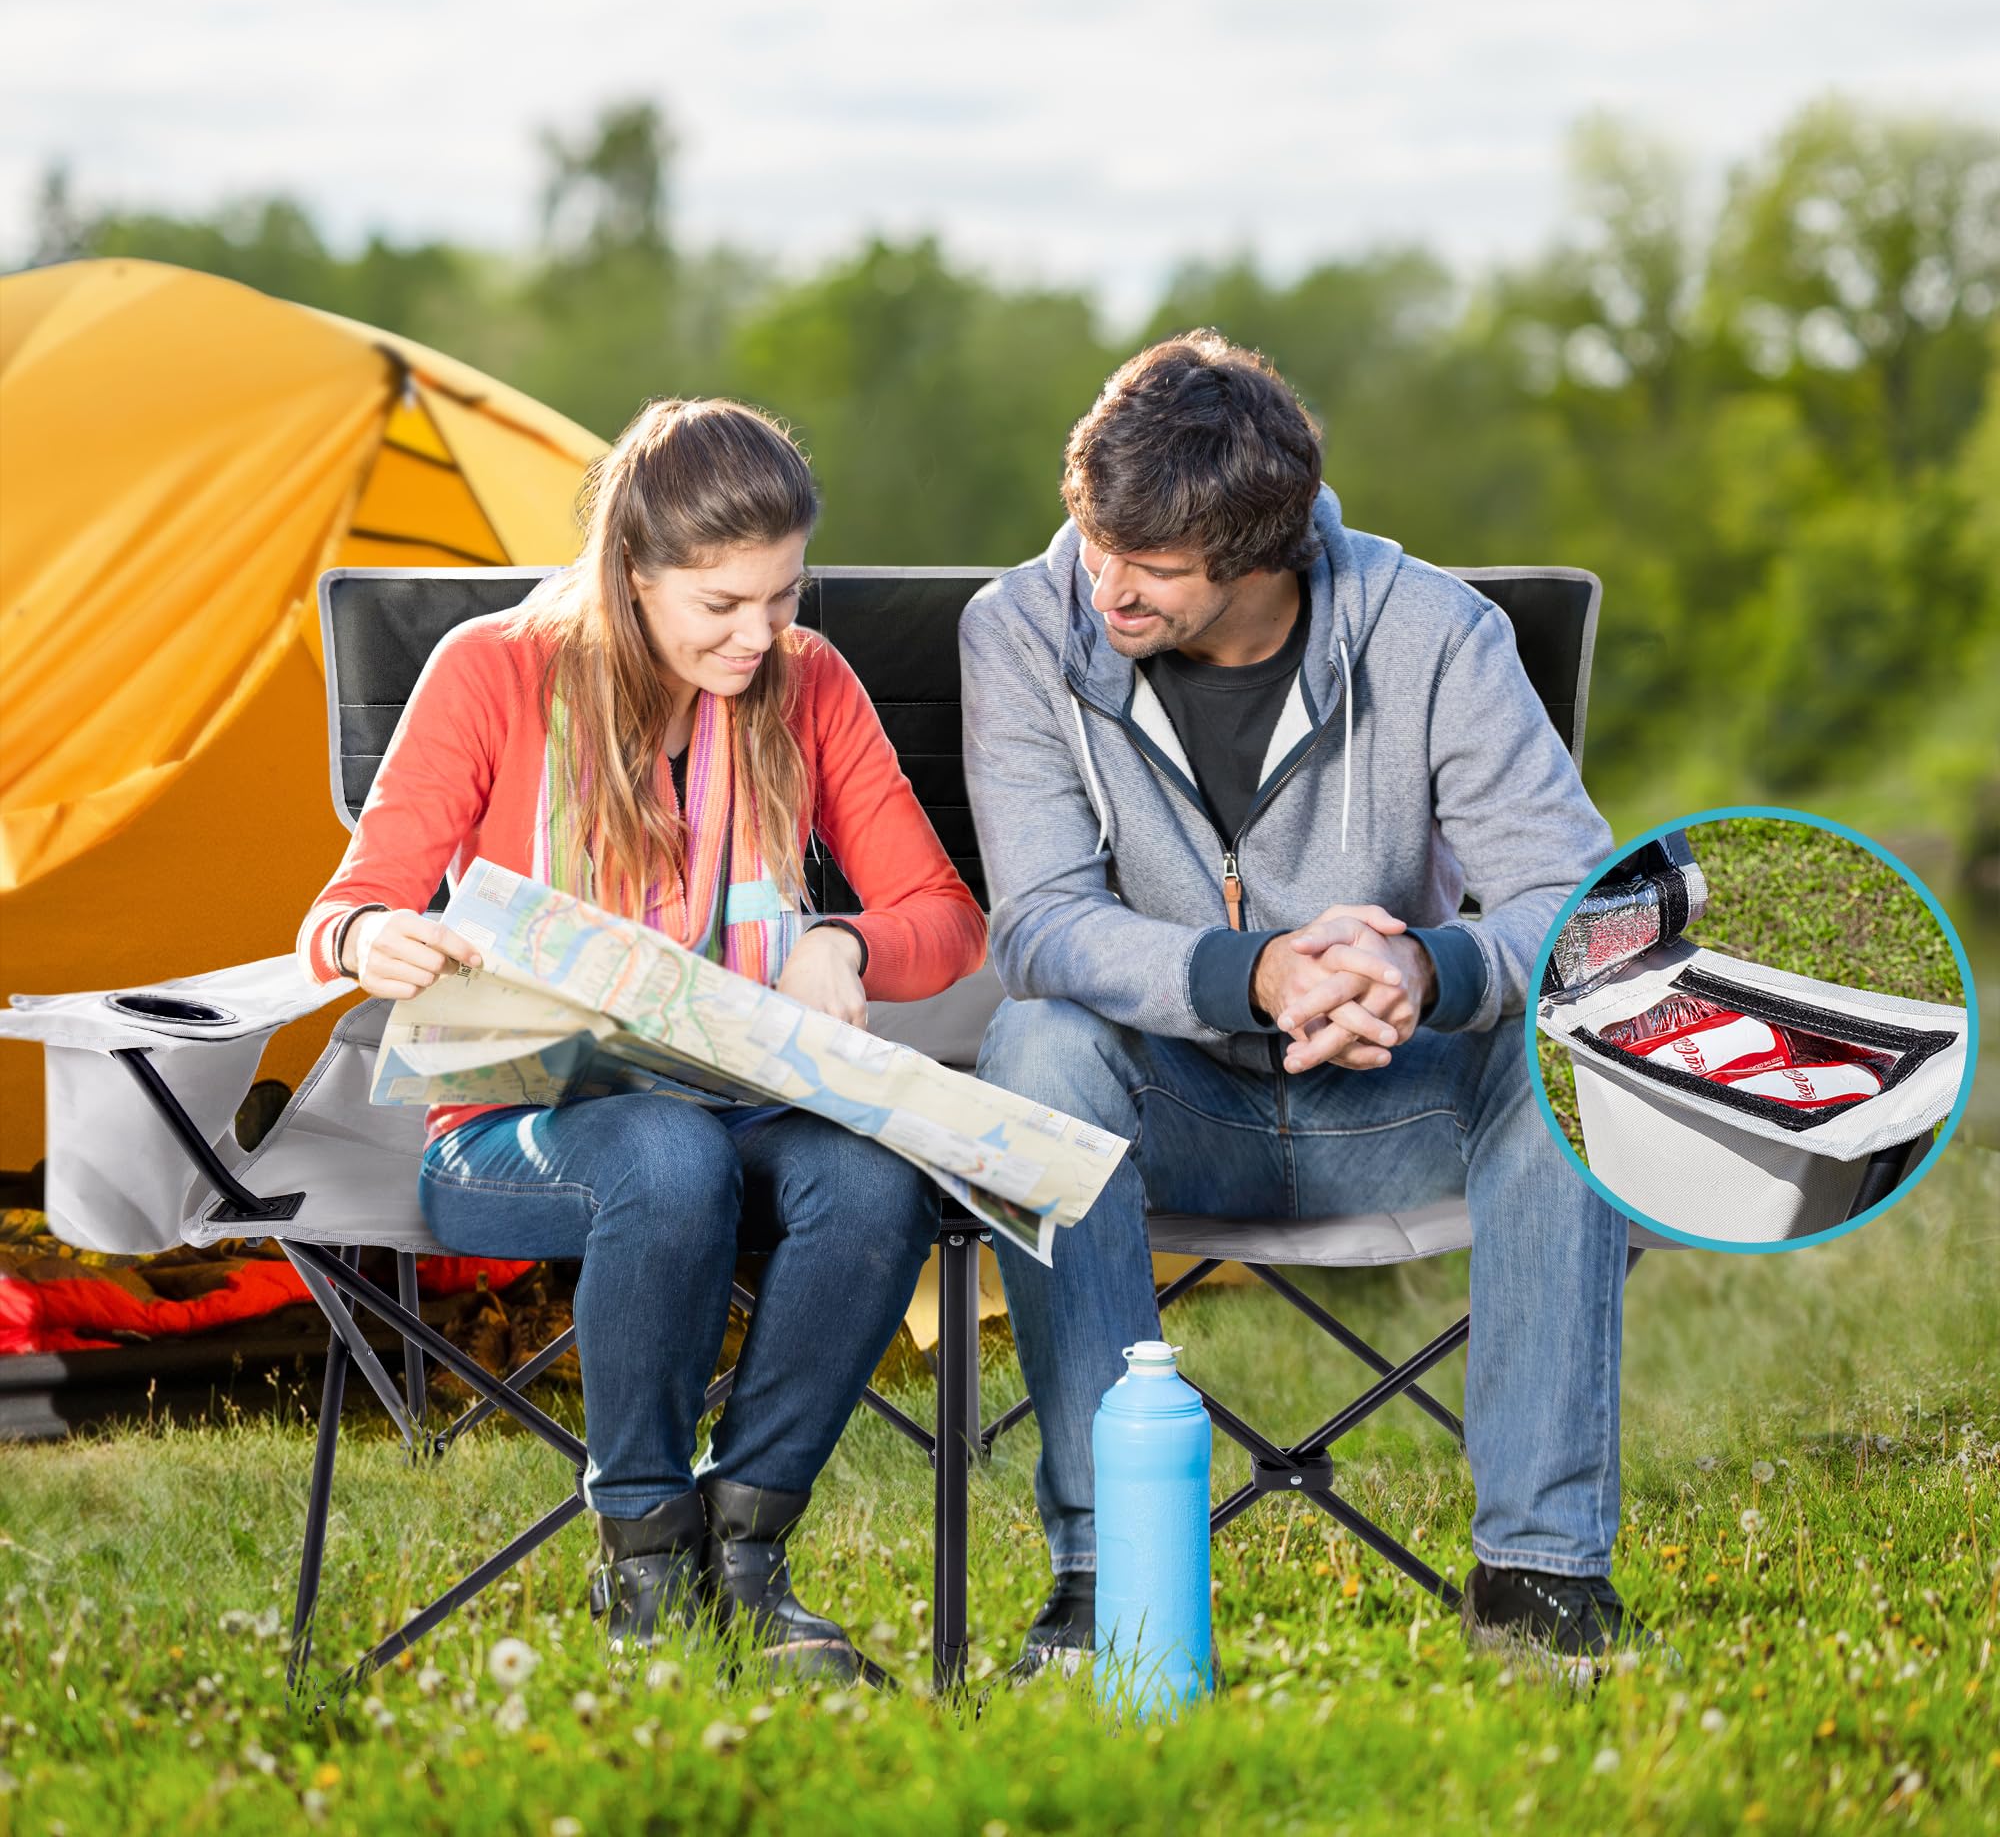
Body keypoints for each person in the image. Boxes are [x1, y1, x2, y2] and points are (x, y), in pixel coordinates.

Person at [959, 331, 1640, 1674]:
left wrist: (1422, 971)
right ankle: (1105, 1580)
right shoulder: (1024, 627)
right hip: (1175, 1102)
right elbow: (1037, 923)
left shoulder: (1438, 631)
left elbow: (1578, 909)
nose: (1106, 583)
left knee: (1574, 1051)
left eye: (1149, 567)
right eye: (1094, 537)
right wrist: (1251, 972)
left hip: (1398, 1094)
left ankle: (1541, 1581)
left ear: (1265, 557)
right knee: (1034, 1047)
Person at [299, 397, 986, 1678]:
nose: (757, 633)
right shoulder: (490, 671)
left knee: (872, 1174)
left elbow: (943, 921)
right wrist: (369, 944)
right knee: (666, 1155)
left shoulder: (807, 683)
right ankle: (643, 1563)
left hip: (745, 1098)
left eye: (780, 596)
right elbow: (345, 908)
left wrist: (844, 941)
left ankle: (743, 1550)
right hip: (519, 1125)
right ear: (628, 575)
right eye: (718, 605)